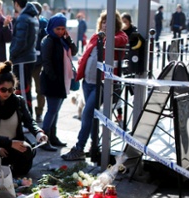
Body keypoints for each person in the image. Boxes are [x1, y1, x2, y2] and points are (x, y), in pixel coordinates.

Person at [61, 10, 128, 161]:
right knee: (91, 117)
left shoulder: (119, 36)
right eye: (104, 22)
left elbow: (119, 40)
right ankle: (94, 146)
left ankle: (79, 148)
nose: (105, 25)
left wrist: (105, 37)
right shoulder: (96, 36)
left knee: (86, 114)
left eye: (109, 22)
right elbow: (86, 55)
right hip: (88, 82)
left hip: (103, 84)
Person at [0, 61, 48, 177]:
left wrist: (38, 133)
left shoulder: (18, 101)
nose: (7, 93)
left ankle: (15, 174)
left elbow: (29, 121)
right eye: (3, 89)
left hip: (15, 143)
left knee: (27, 152)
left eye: (11, 90)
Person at [40, 13, 77, 151]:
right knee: (52, 111)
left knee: (56, 111)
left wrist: (69, 39)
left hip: (62, 80)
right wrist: (54, 79)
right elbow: (47, 62)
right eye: (58, 29)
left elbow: (74, 51)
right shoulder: (48, 41)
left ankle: (53, 137)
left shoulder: (62, 40)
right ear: (52, 28)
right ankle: (44, 139)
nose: (60, 31)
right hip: (53, 81)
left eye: (63, 28)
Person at [9, 0, 39, 116]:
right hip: (28, 57)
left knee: (22, 91)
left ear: (16, 3)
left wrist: (12, 55)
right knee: (25, 89)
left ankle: (26, 119)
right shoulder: (32, 17)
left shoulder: (23, 18)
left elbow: (20, 42)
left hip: (22, 58)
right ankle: (26, 118)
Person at [30, 1, 47, 123]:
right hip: (26, 61)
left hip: (39, 62)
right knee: (25, 88)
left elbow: (45, 41)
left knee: (40, 89)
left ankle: (39, 112)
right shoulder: (25, 21)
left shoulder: (43, 23)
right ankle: (27, 112)